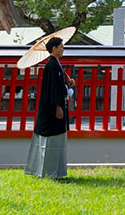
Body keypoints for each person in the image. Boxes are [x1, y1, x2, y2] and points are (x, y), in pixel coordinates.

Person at [24, 36, 75, 178]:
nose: (63, 49)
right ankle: (49, 172)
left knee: (55, 139)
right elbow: (53, 89)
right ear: (54, 48)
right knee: (50, 139)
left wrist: (67, 84)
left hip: (55, 106)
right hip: (52, 109)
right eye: (61, 46)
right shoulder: (52, 66)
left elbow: (58, 87)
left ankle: (54, 172)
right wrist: (58, 106)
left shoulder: (56, 65)